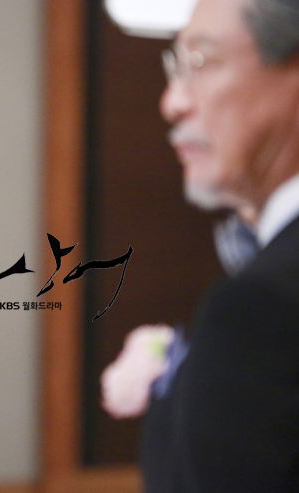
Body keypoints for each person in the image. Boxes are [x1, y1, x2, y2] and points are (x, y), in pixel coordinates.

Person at [138, 0, 299, 490]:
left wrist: (170, 388)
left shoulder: (263, 307)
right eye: (174, 69)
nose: (172, 103)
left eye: (201, 62)